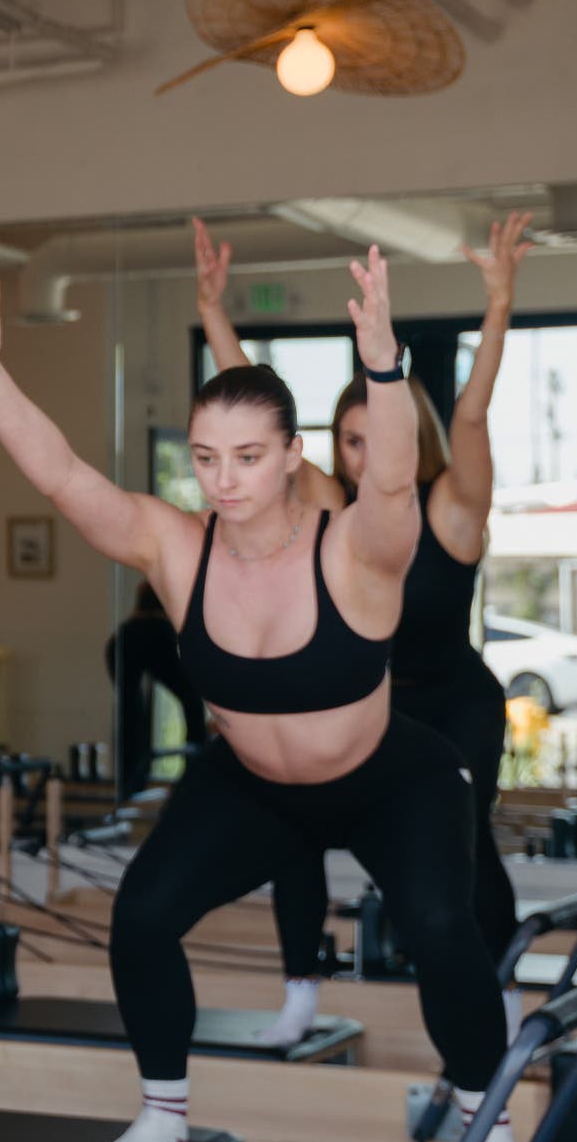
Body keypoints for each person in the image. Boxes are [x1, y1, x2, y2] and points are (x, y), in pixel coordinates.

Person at [0, 248, 524, 1142]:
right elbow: (63, 479)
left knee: (440, 925)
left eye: (248, 457)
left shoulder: (358, 550)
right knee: (143, 917)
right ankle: (163, 1114)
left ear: (294, 455)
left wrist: (383, 367)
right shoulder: (173, 547)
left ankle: (483, 1119)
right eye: (207, 458)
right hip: (255, 784)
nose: (224, 479)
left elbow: (394, 484)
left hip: (387, 778)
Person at [197, 213, 531, 1045]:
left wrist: (499, 302)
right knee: (295, 820)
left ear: (401, 428)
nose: (355, 455)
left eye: (368, 436)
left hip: (456, 705)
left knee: (463, 845)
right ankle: (303, 991)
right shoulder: (338, 517)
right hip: (377, 708)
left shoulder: (453, 507)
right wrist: (211, 315)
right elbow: (256, 425)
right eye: (344, 441)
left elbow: (476, 415)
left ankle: (499, 983)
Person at [102, 583, 204, 788]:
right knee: (191, 699)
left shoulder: (134, 624)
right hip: (142, 638)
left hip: (118, 644)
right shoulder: (158, 625)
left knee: (130, 710)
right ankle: (196, 769)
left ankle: (130, 779)